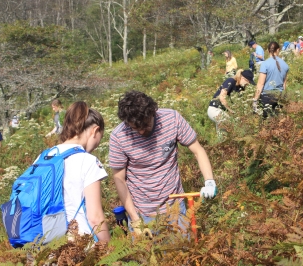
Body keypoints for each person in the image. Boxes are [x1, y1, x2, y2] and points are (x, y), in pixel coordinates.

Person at [109, 91, 216, 238]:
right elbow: (119, 179)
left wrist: (209, 181)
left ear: (154, 112)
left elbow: (197, 150)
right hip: (142, 214)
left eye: (145, 125)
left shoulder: (171, 119)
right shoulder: (118, 136)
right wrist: (135, 220)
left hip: (176, 210)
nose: (141, 131)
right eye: (135, 128)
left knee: (182, 258)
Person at [36, 101, 110, 242]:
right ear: (95, 131)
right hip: (78, 243)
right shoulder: (88, 161)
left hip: (44, 241)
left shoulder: (43, 156)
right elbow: (95, 218)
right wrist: (112, 252)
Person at [253, 41, 290, 118]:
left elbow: (260, 84)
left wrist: (255, 100)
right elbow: (284, 84)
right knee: (278, 120)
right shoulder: (285, 65)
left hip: (267, 96)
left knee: (267, 122)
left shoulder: (265, 64)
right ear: (278, 50)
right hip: (279, 95)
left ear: (268, 50)